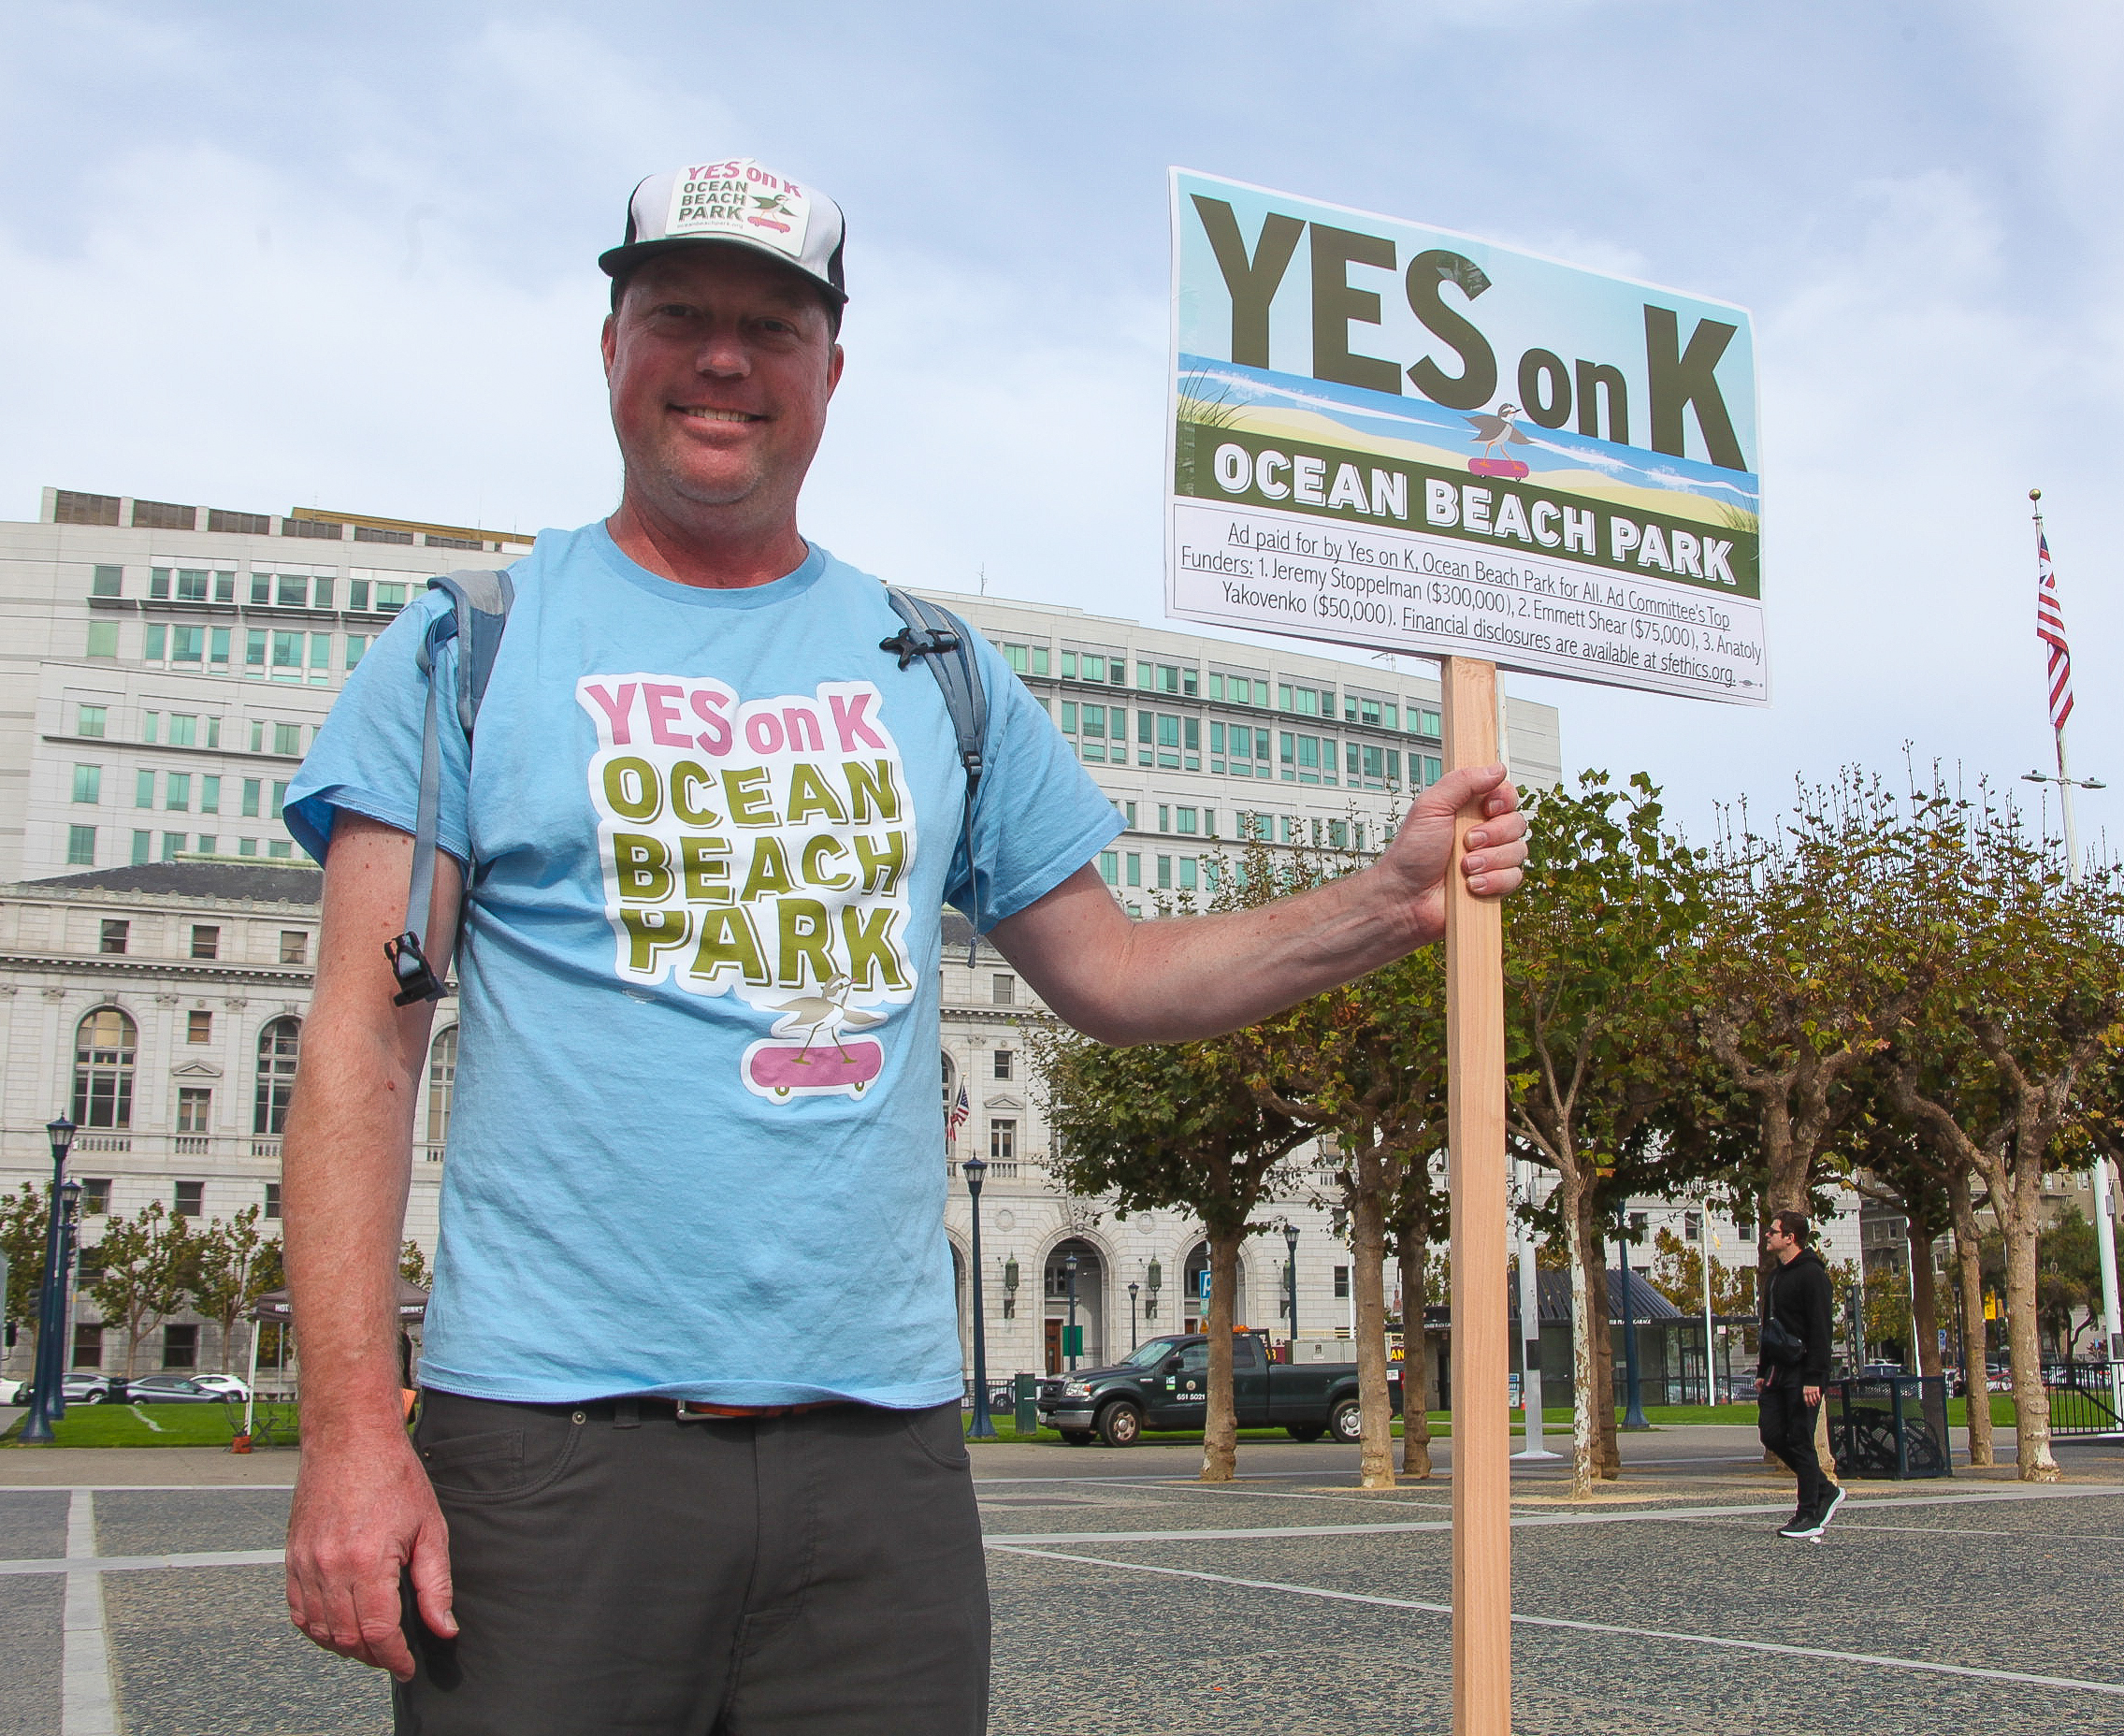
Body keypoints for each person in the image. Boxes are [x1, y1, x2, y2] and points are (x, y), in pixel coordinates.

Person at [276, 157, 1530, 1733]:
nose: (723, 359)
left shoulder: (932, 667)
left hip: (878, 1466)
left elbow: (1112, 974)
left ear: (828, 374)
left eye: (771, 327)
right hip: (549, 1450)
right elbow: (358, 1046)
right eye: (680, 316)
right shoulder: (469, 646)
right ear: (611, 348)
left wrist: (1384, 900)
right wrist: (347, 1432)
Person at [1758, 1208, 1843, 1539]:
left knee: (1801, 1439)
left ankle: (1808, 1513)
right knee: (1772, 1434)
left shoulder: (1812, 1276)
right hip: (1778, 1373)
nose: (1767, 1234)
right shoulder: (1776, 1276)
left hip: (1804, 1373)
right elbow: (1770, 1327)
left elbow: (1822, 1331)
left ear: (1790, 1237)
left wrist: (1814, 1377)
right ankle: (1824, 1489)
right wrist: (1763, 1369)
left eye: (1773, 1231)